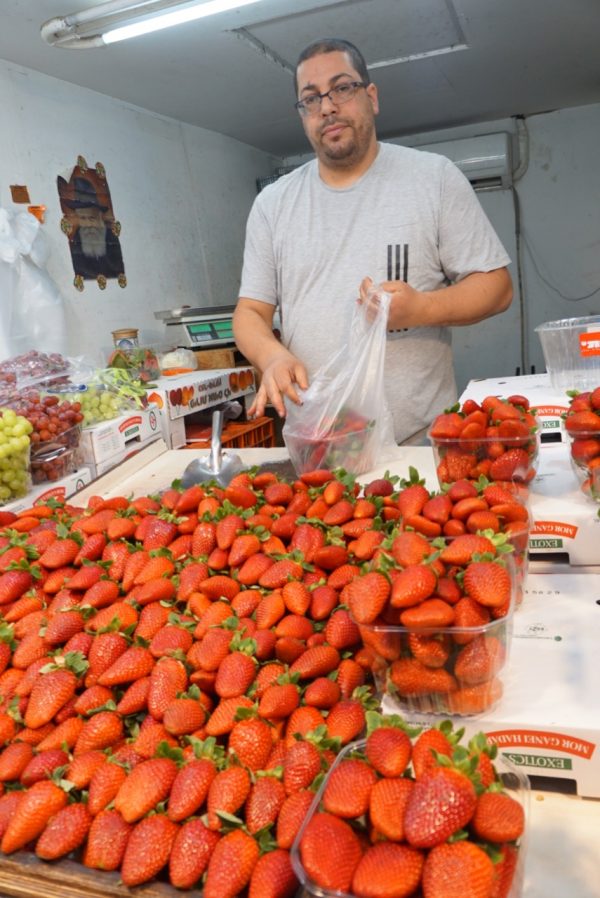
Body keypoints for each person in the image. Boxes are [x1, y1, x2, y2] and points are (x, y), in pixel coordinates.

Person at [233, 37, 513, 444]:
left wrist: (420, 308)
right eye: (310, 99)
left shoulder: (434, 178)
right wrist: (271, 355)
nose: (327, 107)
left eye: (342, 88)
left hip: (421, 444)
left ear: (371, 97)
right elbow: (249, 314)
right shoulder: (272, 205)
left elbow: (498, 288)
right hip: (320, 448)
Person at [60, 177, 125, 281]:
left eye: (91, 218)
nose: (88, 224)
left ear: (99, 217)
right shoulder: (77, 240)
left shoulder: (112, 238)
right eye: (83, 218)